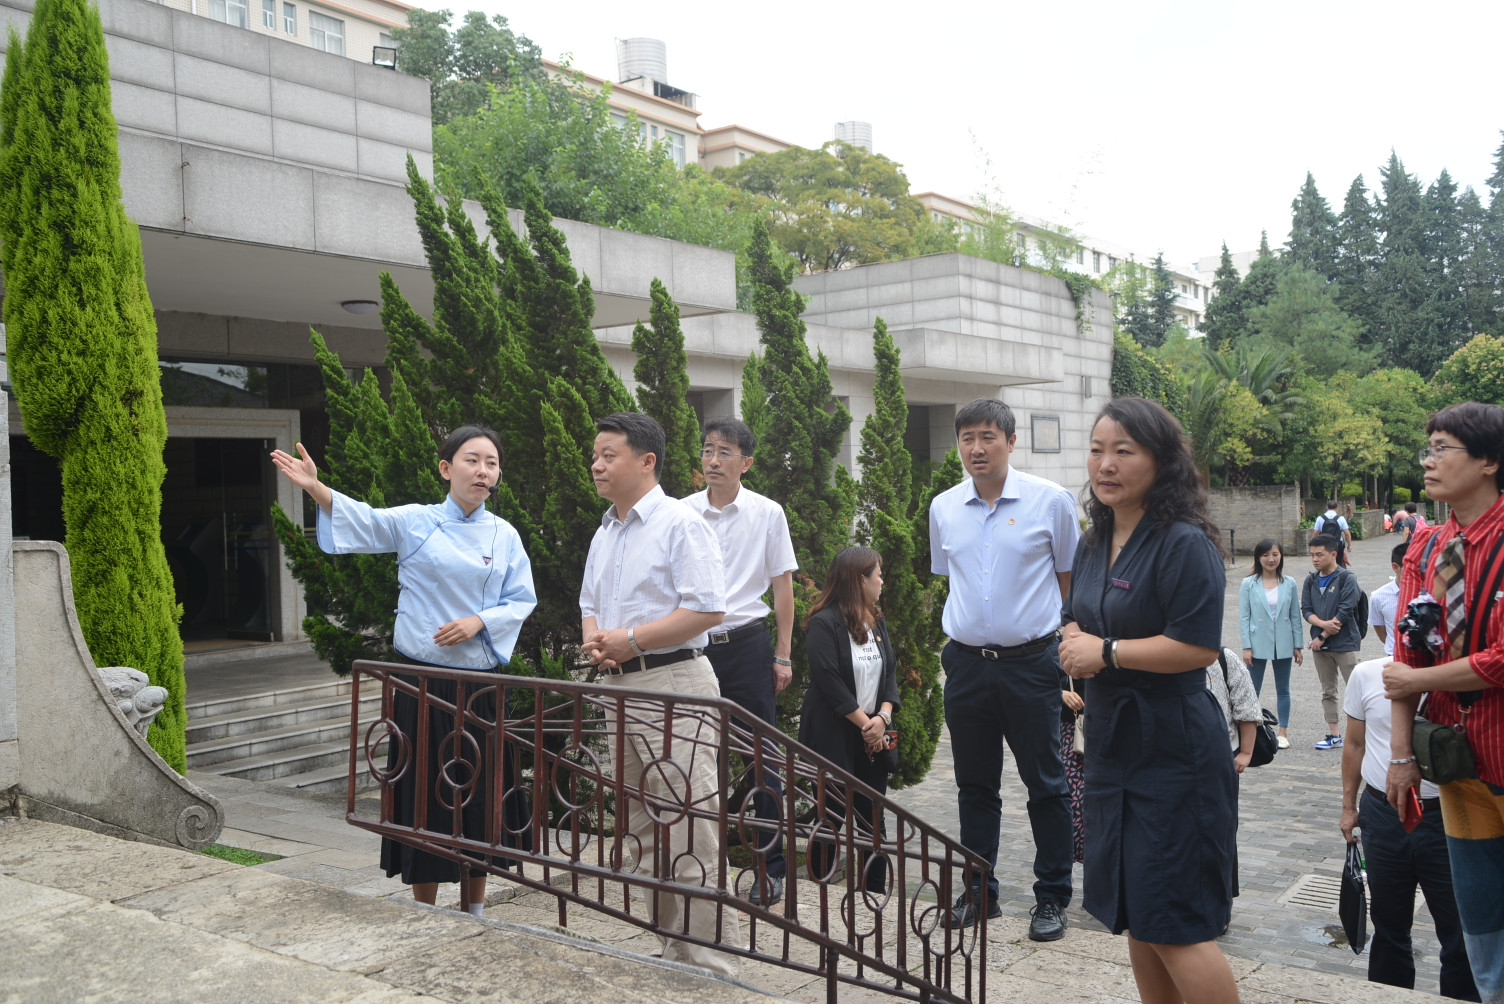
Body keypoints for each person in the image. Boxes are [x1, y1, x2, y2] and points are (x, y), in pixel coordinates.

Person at [269, 426, 537, 914]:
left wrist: (480, 621)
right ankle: (425, 910)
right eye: (472, 460)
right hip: (421, 686)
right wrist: (315, 487)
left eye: (492, 463)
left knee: (480, 797)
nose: (483, 471)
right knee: (424, 799)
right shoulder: (416, 521)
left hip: (479, 689)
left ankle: (476, 910)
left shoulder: (506, 535)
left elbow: (521, 600)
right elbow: (365, 521)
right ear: (446, 468)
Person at [1058, 397, 1239, 1004]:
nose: (1105, 464)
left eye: (1123, 451)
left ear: (1161, 461)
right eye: (1096, 450)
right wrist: (1071, 639)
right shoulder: (1094, 541)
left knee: (1175, 919)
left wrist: (1106, 652)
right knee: (1137, 909)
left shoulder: (1183, 543)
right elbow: (1075, 614)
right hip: (1113, 747)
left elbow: (1198, 647)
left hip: (1173, 748)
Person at [578, 412, 739, 976]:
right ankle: (671, 950)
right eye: (595, 455)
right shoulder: (605, 531)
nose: (596, 465)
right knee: (641, 830)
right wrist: (598, 641)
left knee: (690, 825)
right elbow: (589, 604)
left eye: (608, 455)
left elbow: (707, 609)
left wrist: (630, 640)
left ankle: (708, 964)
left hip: (673, 682)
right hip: (618, 685)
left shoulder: (679, 523)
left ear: (647, 461)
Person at [929, 397, 1080, 940]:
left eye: (988, 436)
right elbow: (950, 577)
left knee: (1046, 783)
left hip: (1032, 664)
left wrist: (1068, 648)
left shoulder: (1051, 501)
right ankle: (979, 893)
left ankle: (1052, 897)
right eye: (967, 437)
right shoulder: (944, 507)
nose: (976, 448)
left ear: (1011, 442)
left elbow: (1070, 580)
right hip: (967, 665)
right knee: (974, 786)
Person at [1384, 402, 1504, 1004]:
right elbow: (1405, 655)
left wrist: (1420, 679)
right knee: (1481, 922)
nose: (1427, 462)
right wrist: (1401, 756)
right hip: (1461, 768)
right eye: (1427, 449)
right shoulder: (1428, 546)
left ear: (1488, 462)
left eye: (1442, 449)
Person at [682, 418, 797, 907]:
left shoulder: (767, 513)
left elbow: (783, 588)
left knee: (762, 759)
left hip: (748, 646)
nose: (713, 460)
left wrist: (783, 655)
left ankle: (770, 869)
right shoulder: (681, 512)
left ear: (746, 463)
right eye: (708, 450)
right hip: (692, 645)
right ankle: (696, 866)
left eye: (724, 452)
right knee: (690, 755)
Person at [1342, 656, 1479, 999]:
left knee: (1461, 932)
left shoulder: (1467, 674)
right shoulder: (1367, 673)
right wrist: (1348, 806)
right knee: (1388, 926)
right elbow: (1355, 744)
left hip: (1452, 815)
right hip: (1383, 813)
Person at [798, 546, 899, 895]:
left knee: (873, 819)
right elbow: (829, 683)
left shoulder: (877, 620)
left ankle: (874, 895)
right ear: (860, 580)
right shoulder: (823, 622)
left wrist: (882, 718)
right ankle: (819, 892)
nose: (882, 581)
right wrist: (867, 725)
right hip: (834, 735)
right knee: (831, 817)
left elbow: (890, 673)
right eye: (878, 575)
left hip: (873, 734)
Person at [1238, 539, 1303, 749]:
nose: (1271, 559)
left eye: (1275, 554)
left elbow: (1295, 616)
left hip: (1283, 640)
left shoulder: (1289, 583)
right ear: (1258, 557)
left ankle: (1283, 732)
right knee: (1252, 690)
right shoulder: (1248, 583)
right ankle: (1251, 732)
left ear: (1281, 556)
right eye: (1265, 555)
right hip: (1257, 641)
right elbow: (1244, 617)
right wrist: (1246, 647)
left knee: (1283, 689)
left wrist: (1298, 645)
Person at [1302, 533, 1364, 750]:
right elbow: (1306, 610)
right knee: (1328, 691)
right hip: (1320, 647)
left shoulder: (1347, 578)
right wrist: (1323, 625)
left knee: (1357, 690)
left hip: (1345, 644)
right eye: (1312, 555)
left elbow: (1345, 611)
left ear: (1333, 554)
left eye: (1319, 554)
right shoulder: (1311, 580)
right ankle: (1334, 735)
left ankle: (1363, 735)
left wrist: (1322, 635)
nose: (1315, 559)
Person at [1060, 682, 1086, 865]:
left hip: (1110, 726)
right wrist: (1060, 693)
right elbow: (1040, 681)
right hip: (1073, 729)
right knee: (1074, 801)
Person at [1371, 542, 1408, 658]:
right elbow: (1380, 629)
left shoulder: (1428, 592)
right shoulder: (1378, 596)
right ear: (1396, 567)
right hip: (1394, 655)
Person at [1316, 500, 1354, 566]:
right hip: (1338, 544)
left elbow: (1315, 532)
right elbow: (1347, 533)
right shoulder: (1341, 518)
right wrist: (1349, 545)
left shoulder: (1320, 518)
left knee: (1325, 563)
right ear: (1337, 508)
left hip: (1324, 544)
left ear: (1327, 507)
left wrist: (1315, 544)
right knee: (1338, 564)